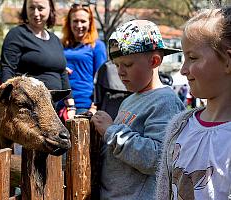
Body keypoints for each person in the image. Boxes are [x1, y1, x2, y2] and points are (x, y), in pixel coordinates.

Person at [90, 19, 185, 200]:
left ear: (154, 61)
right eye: (117, 65)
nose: (120, 72)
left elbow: (157, 158)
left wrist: (111, 131)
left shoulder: (165, 102)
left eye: (128, 65)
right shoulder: (129, 100)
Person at [156, 7, 231, 200]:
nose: (183, 69)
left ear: (228, 62)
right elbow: (164, 191)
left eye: (193, 58)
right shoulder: (179, 127)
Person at [0, 0, 74, 113]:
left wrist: (71, 107)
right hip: (29, 109)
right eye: (31, 8)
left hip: (55, 108)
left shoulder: (55, 39)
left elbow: (62, 73)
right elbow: (7, 69)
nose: (35, 13)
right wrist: (7, 102)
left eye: (40, 8)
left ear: (50, 9)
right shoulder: (17, 34)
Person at [61, 2, 107, 115]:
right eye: (75, 21)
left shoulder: (97, 46)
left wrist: (94, 106)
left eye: (83, 21)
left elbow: (102, 78)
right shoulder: (61, 45)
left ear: (90, 23)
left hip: (83, 106)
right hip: (61, 104)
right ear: (69, 23)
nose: (79, 25)